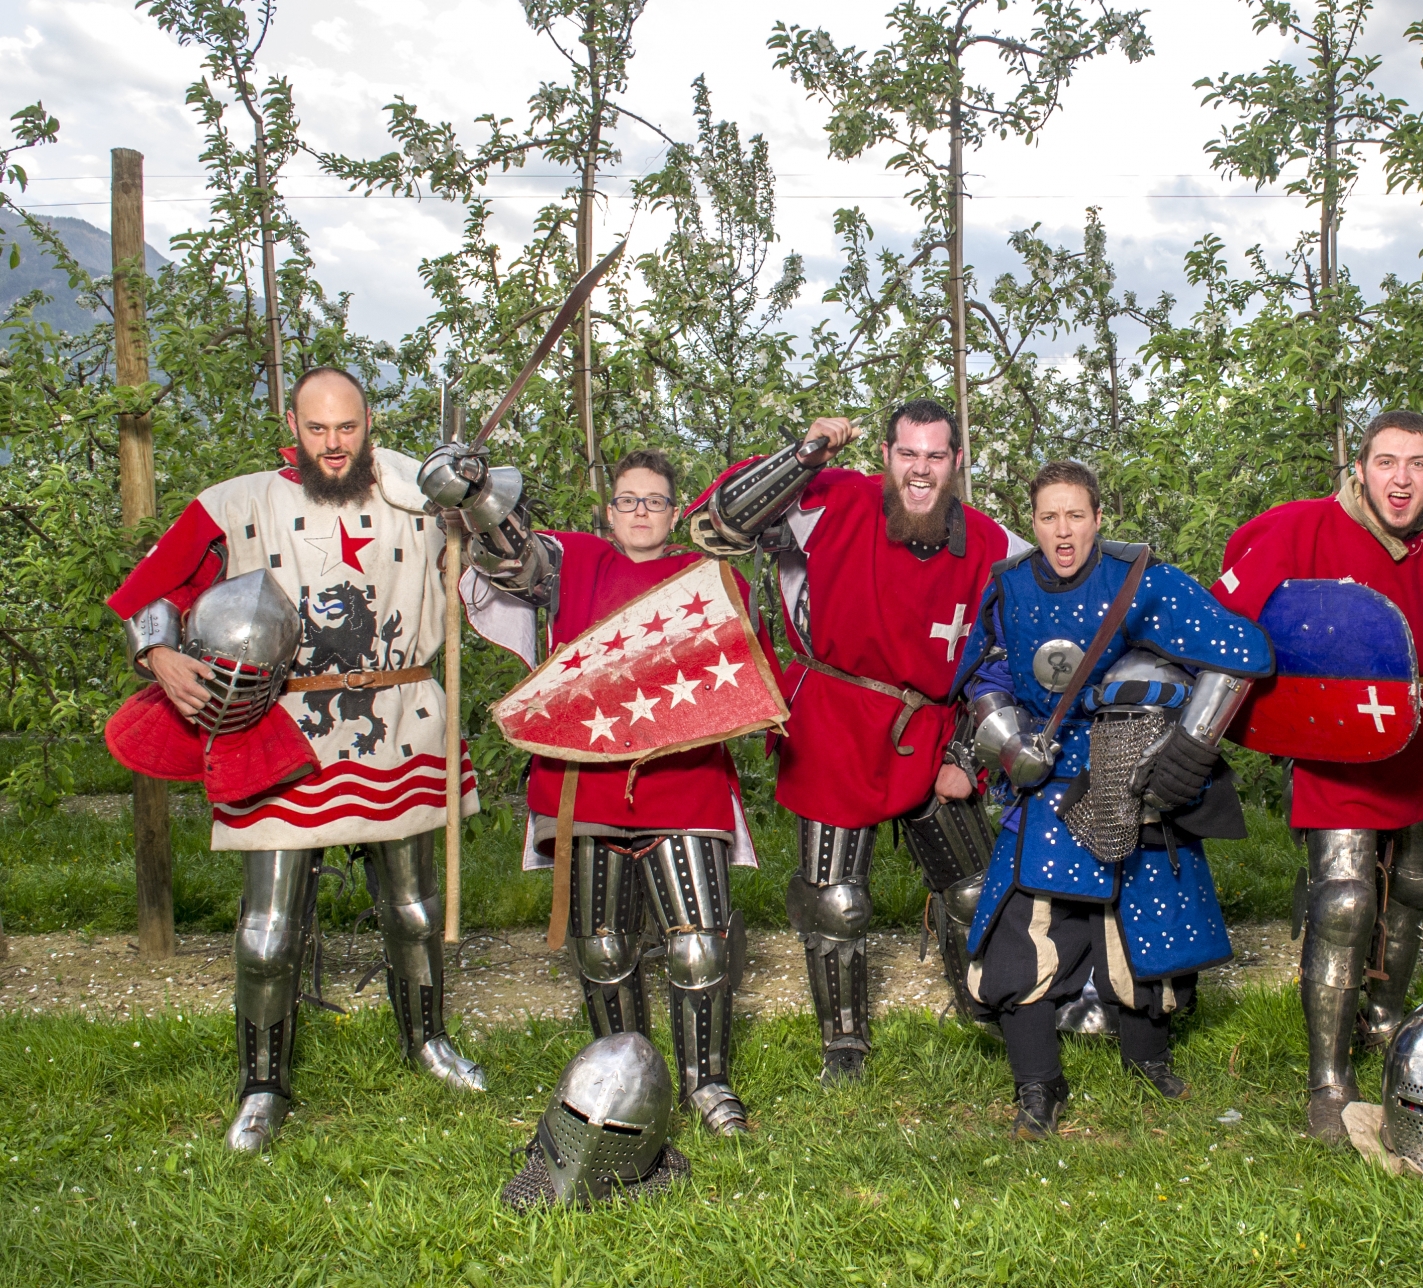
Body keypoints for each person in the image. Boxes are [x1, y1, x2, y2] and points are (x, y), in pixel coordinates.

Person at [105, 366, 484, 1153]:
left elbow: (511, 543)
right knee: (267, 932)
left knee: (414, 913)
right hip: (279, 726)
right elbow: (155, 587)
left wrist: (474, 490)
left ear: (368, 420)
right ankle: (262, 1085)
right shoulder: (239, 502)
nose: (333, 444)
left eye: (346, 428)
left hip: (399, 716)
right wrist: (159, 656)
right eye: (318, 429)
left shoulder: (426, 488)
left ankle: (427, 1043)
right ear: (292, 422)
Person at [1211, 409, 1423, 1147]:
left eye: (1419, 464)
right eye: (1386, 462)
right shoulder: (1297, 529)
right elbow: (1231, 625)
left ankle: (1384, 1020)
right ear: (1359, 466)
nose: (1401, 481)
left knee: (1413, 890)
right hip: (1340, 730)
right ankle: (1327, 1081)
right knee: (1343, 900)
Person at [426, 445, 775, 1135]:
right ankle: (623, 1083)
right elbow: (510, 554)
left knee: (698, 944)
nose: (640, 512)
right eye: (627, 501)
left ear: (675, 512)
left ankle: (708, 1085)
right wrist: (474, 494)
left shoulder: (704, 577)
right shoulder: (574, 560)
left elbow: (737, 665)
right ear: (608, 511)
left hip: (684, 778)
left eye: (654, 502)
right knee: (603, 946)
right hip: (584, 782)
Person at [680, 400, 1026, 1083]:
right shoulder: (830, 500)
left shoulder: (994, 544)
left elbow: (1017, 643)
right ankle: (845, 1041)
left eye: (934, 455)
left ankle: (985, 1007)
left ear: (956, 462)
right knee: (837, 899)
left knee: (974, 888)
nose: (919, 470)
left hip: (934, 725)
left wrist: (967, 753)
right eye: (907, 453)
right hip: (834, 716)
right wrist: (805, 455)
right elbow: (717, 523)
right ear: (886, 457)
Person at [949, 460, 1274, 1138]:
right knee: (1020, 933)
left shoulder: (1140, 581)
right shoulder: (1008, 590)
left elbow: (1243, 651)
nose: (1062, 532)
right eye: (1048, 517)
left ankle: (1146, 1058)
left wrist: (1192, 744)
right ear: (1032, 524)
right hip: (1044, 788)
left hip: (1134, 777)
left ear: (1098, 518)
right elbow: (982, 672)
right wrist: (1007, 741)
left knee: (1144, 926)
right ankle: (1037, 1084)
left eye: (1075, 516)